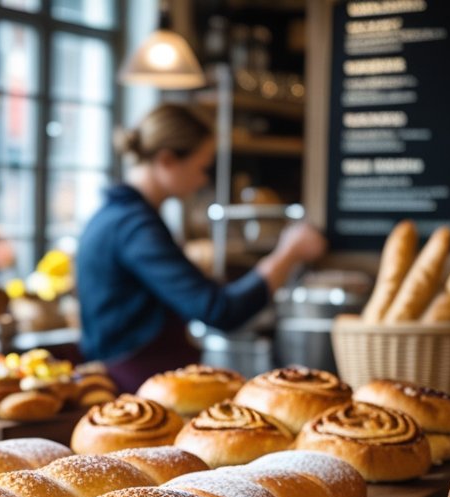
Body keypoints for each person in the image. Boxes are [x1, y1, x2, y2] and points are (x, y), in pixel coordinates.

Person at [76, 102, 327, 392]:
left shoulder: (113, 215)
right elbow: (219, 310)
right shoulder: (135, 225)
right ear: (167, 160)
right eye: (202, 167)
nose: (203, 179)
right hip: (139, 384)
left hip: (134, 377)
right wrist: (288, 254)